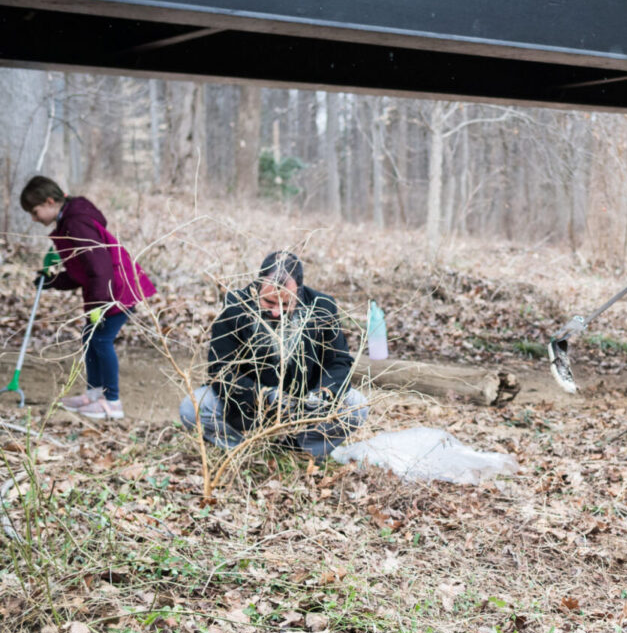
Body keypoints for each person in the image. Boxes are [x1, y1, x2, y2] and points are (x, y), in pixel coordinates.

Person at [180, 251, 368, 459]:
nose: (276, 312)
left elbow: (339, 362)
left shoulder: (322, 306)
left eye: (286, 304)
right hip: (249, 403)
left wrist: (322, 395)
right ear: (258, 286)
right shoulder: (236, 305)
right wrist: (263, 396)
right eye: (269, 302)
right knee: (193, 407)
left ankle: (297, 451)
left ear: (299, 292)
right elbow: (221, 370)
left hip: (306, 403)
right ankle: (246, 451)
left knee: (356, 406)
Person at [20, 175, 156, 420]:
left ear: (50, 201)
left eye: (35, 211)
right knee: (89, 336)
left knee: (101, 340)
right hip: (108, 289)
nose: (34, 218)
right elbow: (81, 272)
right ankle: (93, 394)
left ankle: (112, 402)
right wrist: (51, 281)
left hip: (117, 289)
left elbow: (100, 267)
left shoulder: (77, 223)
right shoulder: (69, 223)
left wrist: (100, 306)